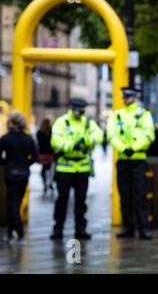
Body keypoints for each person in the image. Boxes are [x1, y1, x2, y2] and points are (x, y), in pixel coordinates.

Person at [50, 98, 102, 240]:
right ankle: (57, 229)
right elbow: (55, 140)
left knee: (81, 201)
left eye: (81, 110)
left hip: (82, 168)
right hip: (65, 168)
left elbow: (98, 135)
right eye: (76, 109)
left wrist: (86, 141)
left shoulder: (87, 122)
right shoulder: (61, 121)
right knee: (62, 200)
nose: (79, 112)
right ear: (71, 108)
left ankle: (80, 230)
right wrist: (71, 146)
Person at [107, 87, 155, 240]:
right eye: (124, 96)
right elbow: (111, 134)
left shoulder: (144, 114)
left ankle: (144, 228)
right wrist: (123, 149)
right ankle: (127, 227)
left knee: (140, 195)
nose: (125, 99)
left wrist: (133, 149)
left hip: (138, 161)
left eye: (128, 96)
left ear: (135, 97)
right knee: (124, 195)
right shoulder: (117, 115)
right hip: (123, 161)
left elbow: (149, 135)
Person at [0, 111, 37, 241]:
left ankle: (20, 234)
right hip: (23, 175)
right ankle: (10, 232)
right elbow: (35, 157)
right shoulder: (28, 139)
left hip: (10, 174)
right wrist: (26, 164)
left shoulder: (5, 139)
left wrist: (6, 163)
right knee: (17, 203)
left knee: (13, 204)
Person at [37, 118, 55, 193]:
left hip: (42, 153)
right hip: (49, 153)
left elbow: (39, 143)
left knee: (44, 169)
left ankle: (46, 184)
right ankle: (49, 184)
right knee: (50, 169)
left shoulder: (40, 132)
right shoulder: (50, 131)